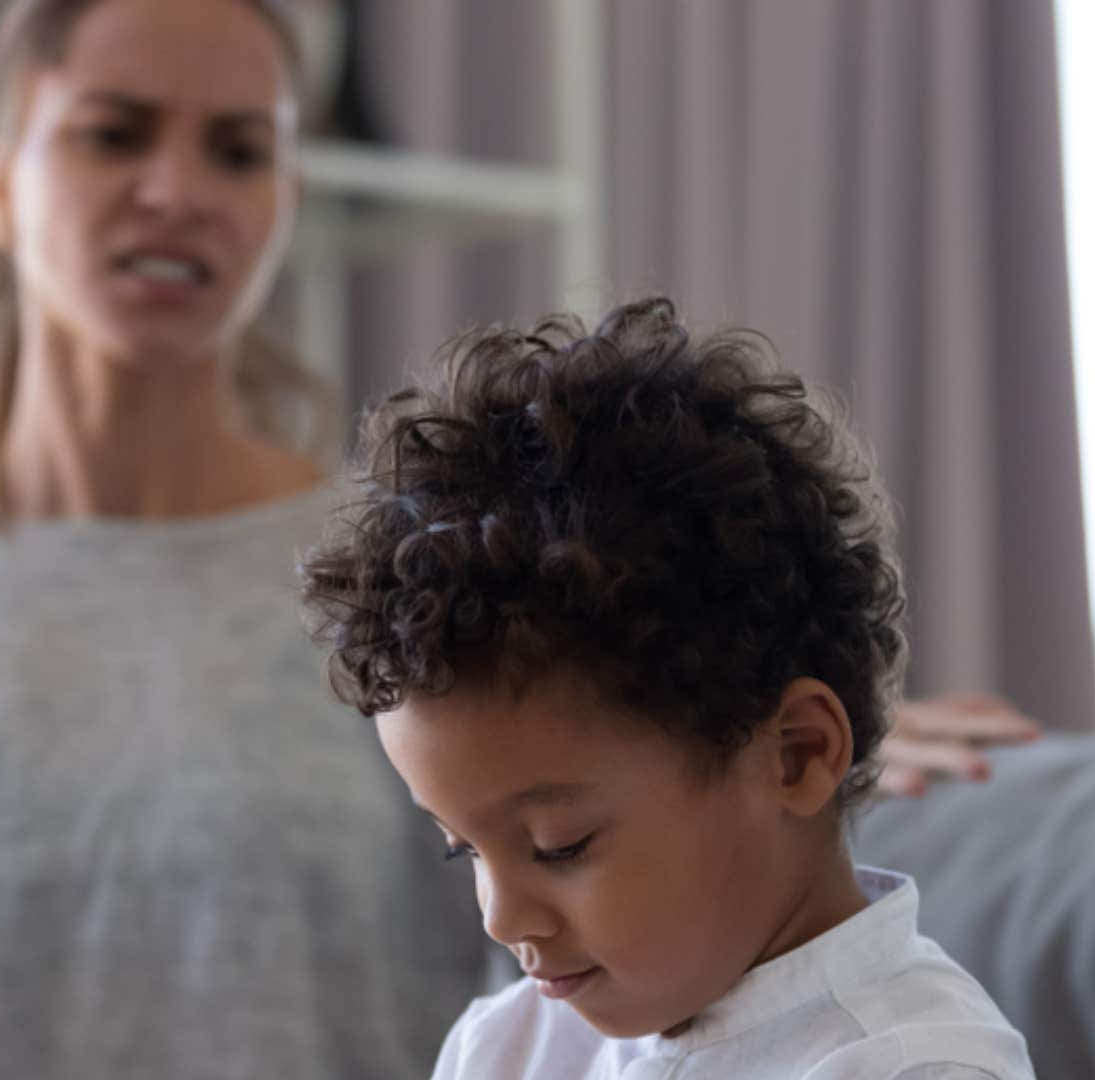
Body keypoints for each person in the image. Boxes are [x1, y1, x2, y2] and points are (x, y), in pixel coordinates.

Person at [0, 2, 1033, 1076]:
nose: (178, 187)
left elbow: (630, 896)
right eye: (117, 133)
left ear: (287, 196)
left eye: (239, 149)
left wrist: (843, 735)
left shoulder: (442, 576)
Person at [301, 297, 1036, 1078]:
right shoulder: (507, 1048)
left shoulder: (912, 1066)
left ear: (795, 755)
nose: (500, 917)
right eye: (464, 851)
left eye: (560, 845)